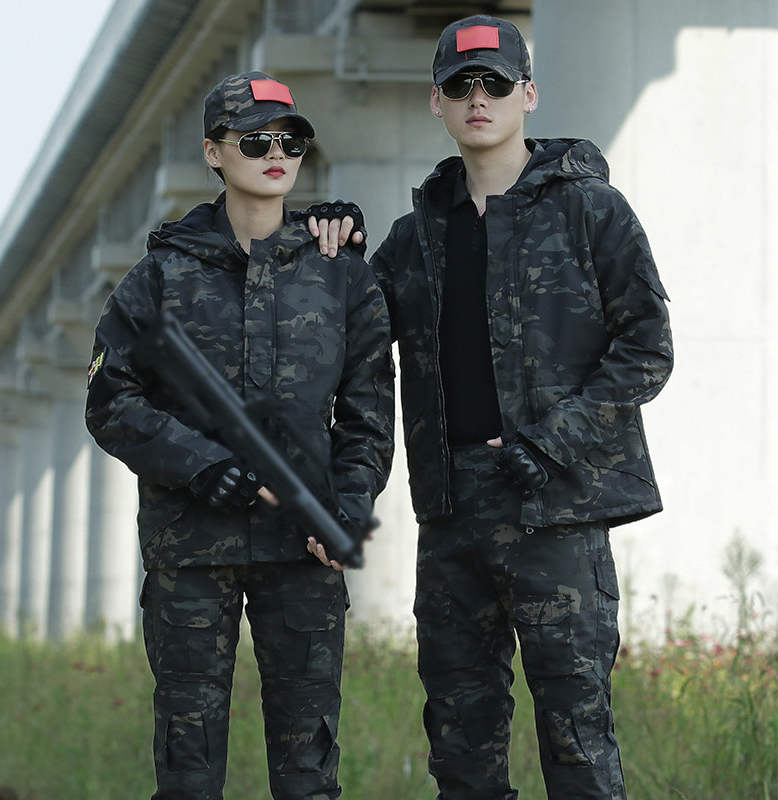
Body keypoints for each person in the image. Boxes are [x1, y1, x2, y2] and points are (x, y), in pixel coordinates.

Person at [308, 15, 673, 800]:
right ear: (436, 102)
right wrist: (331, 240)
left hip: (556, 510)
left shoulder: (590, 211)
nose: (479, 98)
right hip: (451, 520)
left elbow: (647, 348)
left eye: (497, 83)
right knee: (460, 753)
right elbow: (343, 336)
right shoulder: (415, 239)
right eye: (460, 85)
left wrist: (550, 442)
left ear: (528, 95)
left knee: (577, 744)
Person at [85, 71, 394, 800]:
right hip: (191, 552)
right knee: (188, 772)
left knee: (309, 772)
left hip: (303, 550)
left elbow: (368, 415)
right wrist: (199, 465)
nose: (276, 153)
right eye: (254, 141)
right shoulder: (159, 278)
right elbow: (110, 400)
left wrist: (349, 506)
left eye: (290, 139)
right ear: (213, 153)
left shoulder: (341, 276)